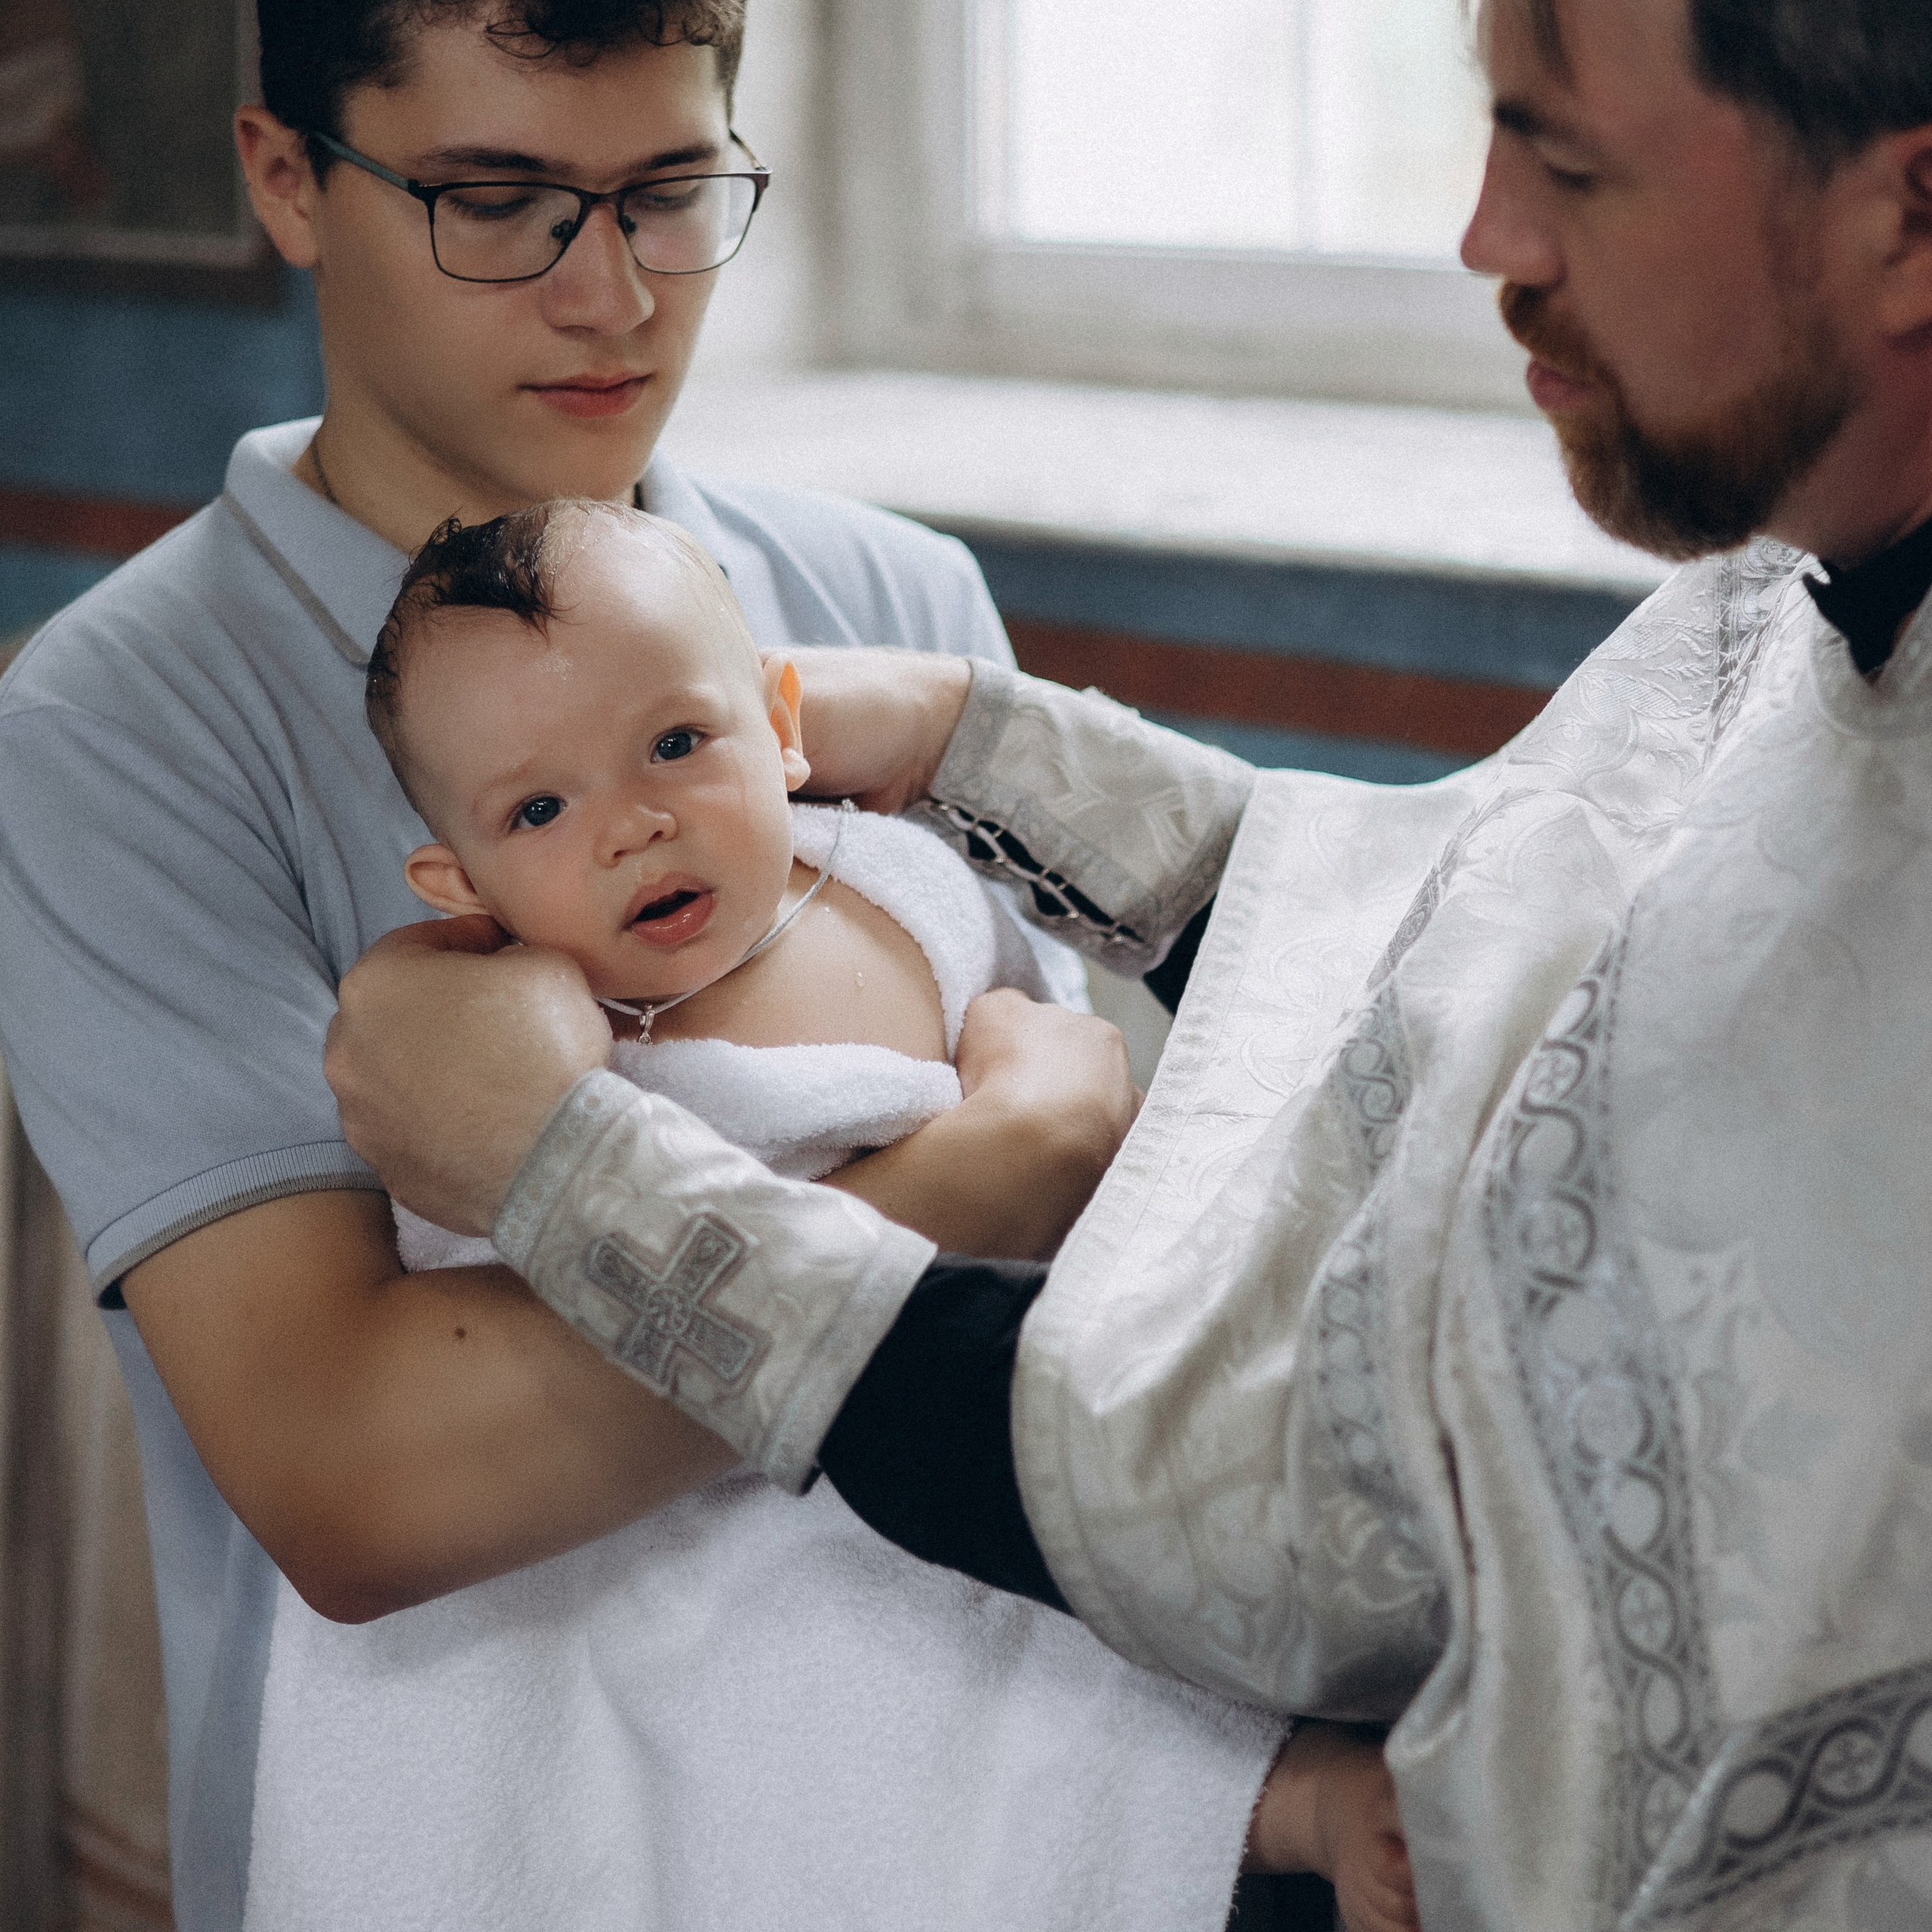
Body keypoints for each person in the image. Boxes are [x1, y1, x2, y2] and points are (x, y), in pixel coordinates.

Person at [322, 1, 1932, 1926]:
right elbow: (1465, 915)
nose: (1483, 234)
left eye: (1564, 159)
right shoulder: (1778, 588)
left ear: (1906, 216)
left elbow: (1266, 1507)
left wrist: (563, 1164)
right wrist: (943, 737)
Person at [0, 2, 1364, 1925]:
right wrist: (973, 1177)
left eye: (666, 194)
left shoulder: (889, 607)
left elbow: (1065, 1349)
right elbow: (365, 1477)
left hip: (955, 1812)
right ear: (287, 181)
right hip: (465, 1830)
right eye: (497, 205)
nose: (610, 299)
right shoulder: (120, 726)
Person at [237, 494, 1418, 1931]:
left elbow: (1060, 1074)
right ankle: (1256, 1803)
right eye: (540, 810)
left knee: (1056, 1606)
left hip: (952, 1401)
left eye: (678, 743)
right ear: (458, 884)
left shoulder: (905, 881)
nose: (636, 823)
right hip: (662, 1502)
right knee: (818, 1667)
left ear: (782, 724)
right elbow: (474, 1295)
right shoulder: (511, 1027)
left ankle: (1268, 1797)